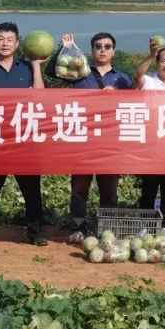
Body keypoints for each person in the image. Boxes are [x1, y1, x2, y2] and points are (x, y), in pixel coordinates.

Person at [46, 32, 134, 243]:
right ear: (92, 50)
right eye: (97, 46)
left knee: (109, 190)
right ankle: (79, 227)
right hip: (83, 140)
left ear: (113, 51)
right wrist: (64, 49)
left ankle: (107, 229)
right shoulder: (80, 71)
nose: (102, 50)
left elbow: (134, 103)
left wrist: (118, 94)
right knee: (79, 188)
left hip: (110, 141)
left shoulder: (122, 79)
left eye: (107, 46)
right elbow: (51, 72)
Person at [0, 22, 48, 248]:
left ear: (17, 43)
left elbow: (40, 97)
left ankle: (35, 232)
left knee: (32, 189)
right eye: (0, 39)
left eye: (9, 40)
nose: (5, 43)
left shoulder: (26, 68)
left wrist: (36, 66)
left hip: (24, 139)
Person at [134, 39, 165, 227]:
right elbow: (137, 74)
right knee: (149, 188)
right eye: (163, 60)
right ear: (157, 62)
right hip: (150, 147)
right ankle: (145, 226)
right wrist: (150, 55)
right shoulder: (148, 82)